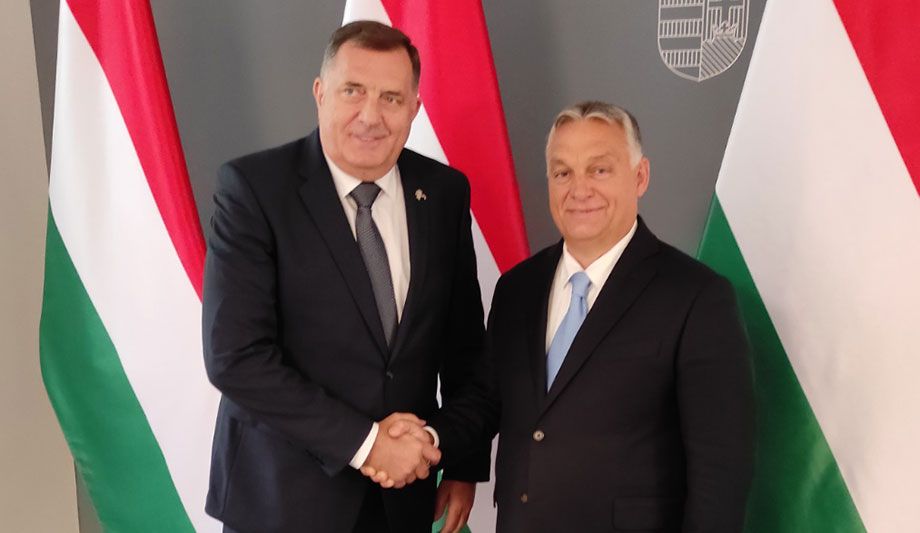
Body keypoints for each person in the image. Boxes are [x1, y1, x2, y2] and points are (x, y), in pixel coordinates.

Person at [202, 20, 492, 533]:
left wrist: (461, 462)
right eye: (353, 91)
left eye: (391, 98)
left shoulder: (444, 193)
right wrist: (368, 444)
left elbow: (464, 347)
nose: (370, 116)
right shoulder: (255, 189)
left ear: (415, 108)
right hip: (283, 504)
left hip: (404, 501)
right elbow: (237, 358)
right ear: (320, 93)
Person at [487, 101, 754, 532]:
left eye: (599, 170)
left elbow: (721, 472)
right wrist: (428, 442)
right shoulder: (516, 289)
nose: (580, 189)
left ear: (640, 176)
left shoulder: (697, 297)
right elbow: (487, 402)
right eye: (563, 173)